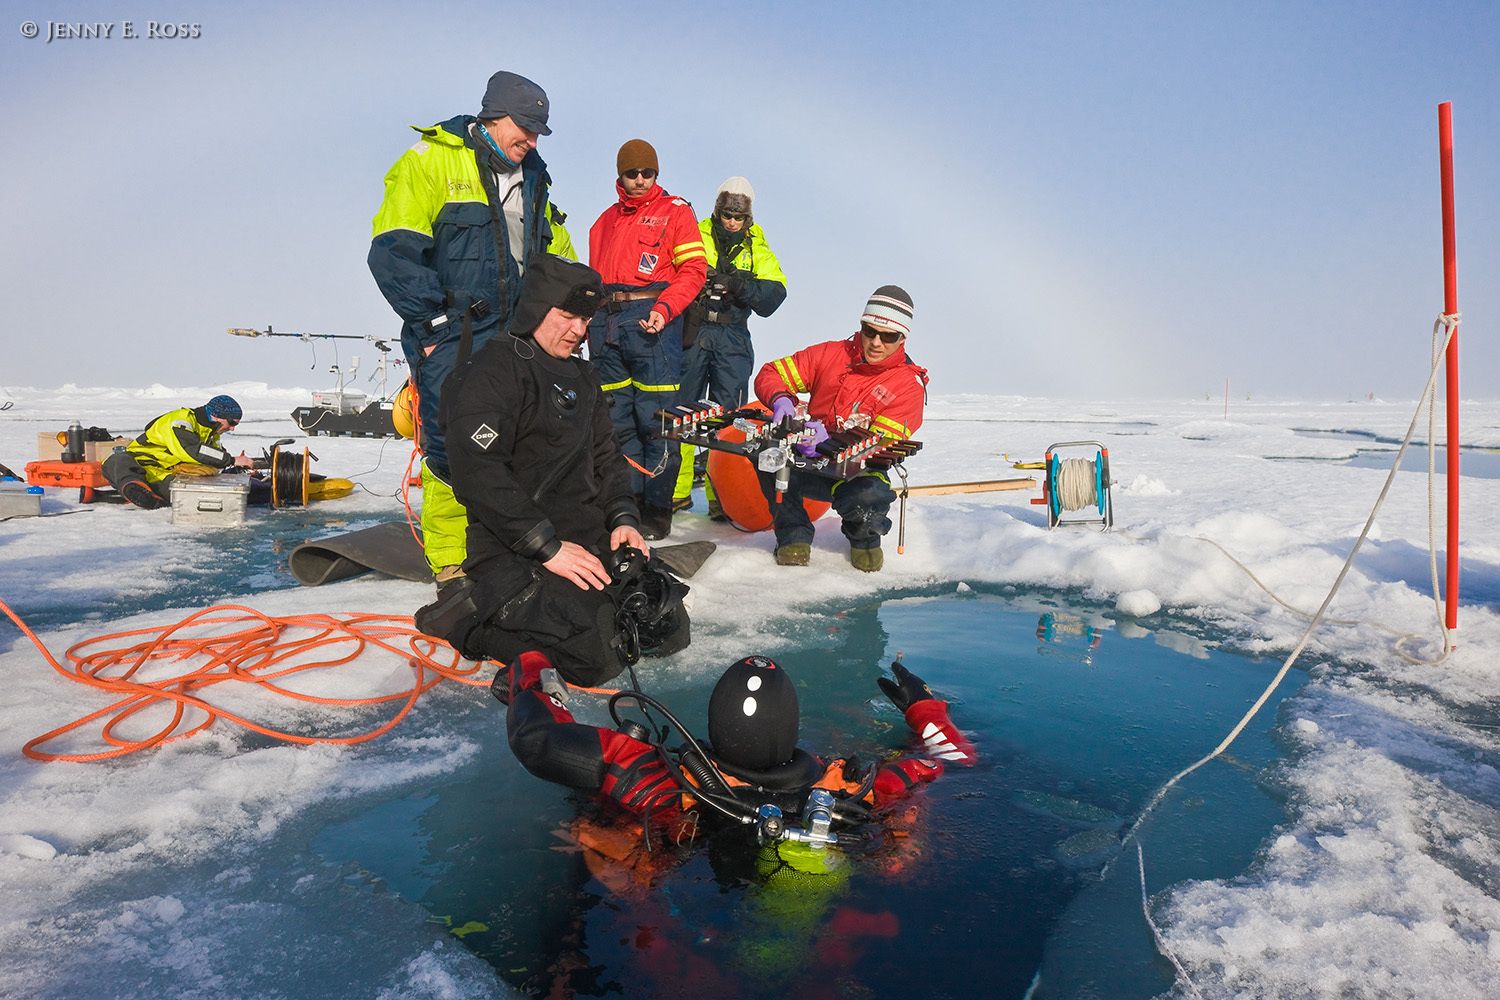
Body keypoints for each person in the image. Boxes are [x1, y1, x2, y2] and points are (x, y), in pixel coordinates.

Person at [414, 254, 689, 689]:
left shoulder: (583, 376)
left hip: (584, 535)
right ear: (537, 309)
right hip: (515, 547)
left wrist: (623, 519)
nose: (579, 331)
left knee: (666, 625)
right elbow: (478, 474)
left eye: (586, 318)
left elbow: (607, 456)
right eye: (567, 316)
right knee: (595, 654)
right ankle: (468, 621)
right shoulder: (492, 372)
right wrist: (547, 547)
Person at [368, 70, 575, 580]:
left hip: (515, 336)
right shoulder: (430, 162)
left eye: (537, 133)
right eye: (524, 129)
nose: (529, 141)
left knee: (514, 437)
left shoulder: (535, 177)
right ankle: (452, 562)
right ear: (493, 115)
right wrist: (434, 322)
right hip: (453, 336)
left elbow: (552, 252)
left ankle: (502, 540)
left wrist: (581, 298)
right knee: (449, 444)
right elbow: (392, 253)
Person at [500, 648, 976, 862]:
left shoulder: (653, 777)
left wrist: (532, 670)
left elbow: (538, 741)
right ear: (791, 728)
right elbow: (952, 760)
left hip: (685, 873)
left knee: (592, 832)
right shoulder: (854, 790)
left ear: (712, 719)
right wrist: (925, 709)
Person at [753, 286, 927, 572]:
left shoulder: (908, 386)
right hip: (807, 462)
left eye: (888, 336)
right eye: (869, 331)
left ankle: (864, 541)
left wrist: (829, 444)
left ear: (902, 338)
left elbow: (880, 444)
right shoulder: (830, 354)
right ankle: (792, 535)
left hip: (857, 474)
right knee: (765, 453)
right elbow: (771, 373)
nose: (876, 342)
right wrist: (780, 399)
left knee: (868, 495)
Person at [587, 139, 707, 541]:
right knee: (615, 422)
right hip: (605, 324)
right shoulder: (602, 222)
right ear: (618, 176)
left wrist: (667, 308)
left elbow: (693, 269)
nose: (639, 180)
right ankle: (627, 508)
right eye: (631, 173)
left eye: (647, 173)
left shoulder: (675, 213)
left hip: (652, 320)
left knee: (656, 424)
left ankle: (656, 509)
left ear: (657, 174)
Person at [672, 177, 788, 520]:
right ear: (717, 209)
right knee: (682, 413)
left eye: (738, 216)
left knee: (729, 420)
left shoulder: (758, 246)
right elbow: (674, 268)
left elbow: (775, 294)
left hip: (733, 336)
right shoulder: (695, 231)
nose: (732, 222)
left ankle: (720, 496)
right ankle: (675, 493)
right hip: (693, 330)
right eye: (726, 214)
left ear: (748, 216)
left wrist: (738, 285)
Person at [102, 395, 255, 509]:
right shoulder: (180, 421)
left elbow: (214, 454)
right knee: (117, 460)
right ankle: (132, 484)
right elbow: (191, 450)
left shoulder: (211, 434)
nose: (233, 428)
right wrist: (232, 460)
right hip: (140, 464)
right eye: (232, 422)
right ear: (215, 416)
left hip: (165, 475)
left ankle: (144, 496)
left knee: (189, 493)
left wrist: (237, 467)